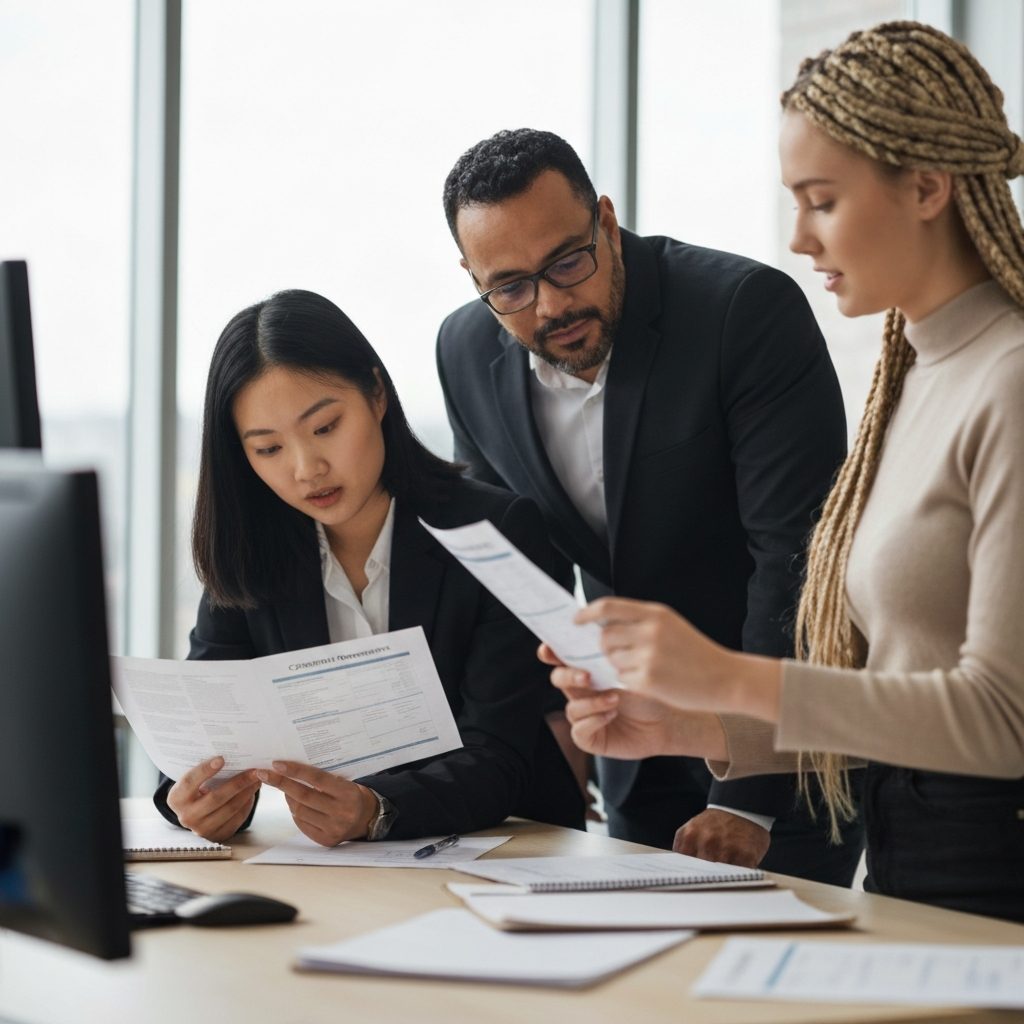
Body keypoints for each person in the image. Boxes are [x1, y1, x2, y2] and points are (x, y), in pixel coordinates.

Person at [551, 22, 1024, 922]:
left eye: (822, 201)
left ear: (927, 188)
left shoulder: (1011, 380)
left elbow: (1001, 721)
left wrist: (728, 675)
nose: (799, 238)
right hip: (910, 873)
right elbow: (896, 700)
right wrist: (687, 727)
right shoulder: (913, 372)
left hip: (997, 886)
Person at [436, 129, 864, 884]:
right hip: (627, 752)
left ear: (605, 219)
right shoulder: (464, 351)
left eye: (569, 261)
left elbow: (794, 562)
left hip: (784, 747)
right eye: (510, 287)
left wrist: (746, 794)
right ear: (473, 278)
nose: (552, 303)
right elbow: (512, 571)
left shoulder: (742, 311)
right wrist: (537, 762)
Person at [153, 289, 583, 843]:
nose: (308, 469)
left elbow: (498, 755)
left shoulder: (494, 531)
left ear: (376, 395)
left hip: (507, 849)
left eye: (326, 427)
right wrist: (190, 798)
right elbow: (203, 733)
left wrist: (376, 808)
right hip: (339, 869)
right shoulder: (251, 553)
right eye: (268, 449)